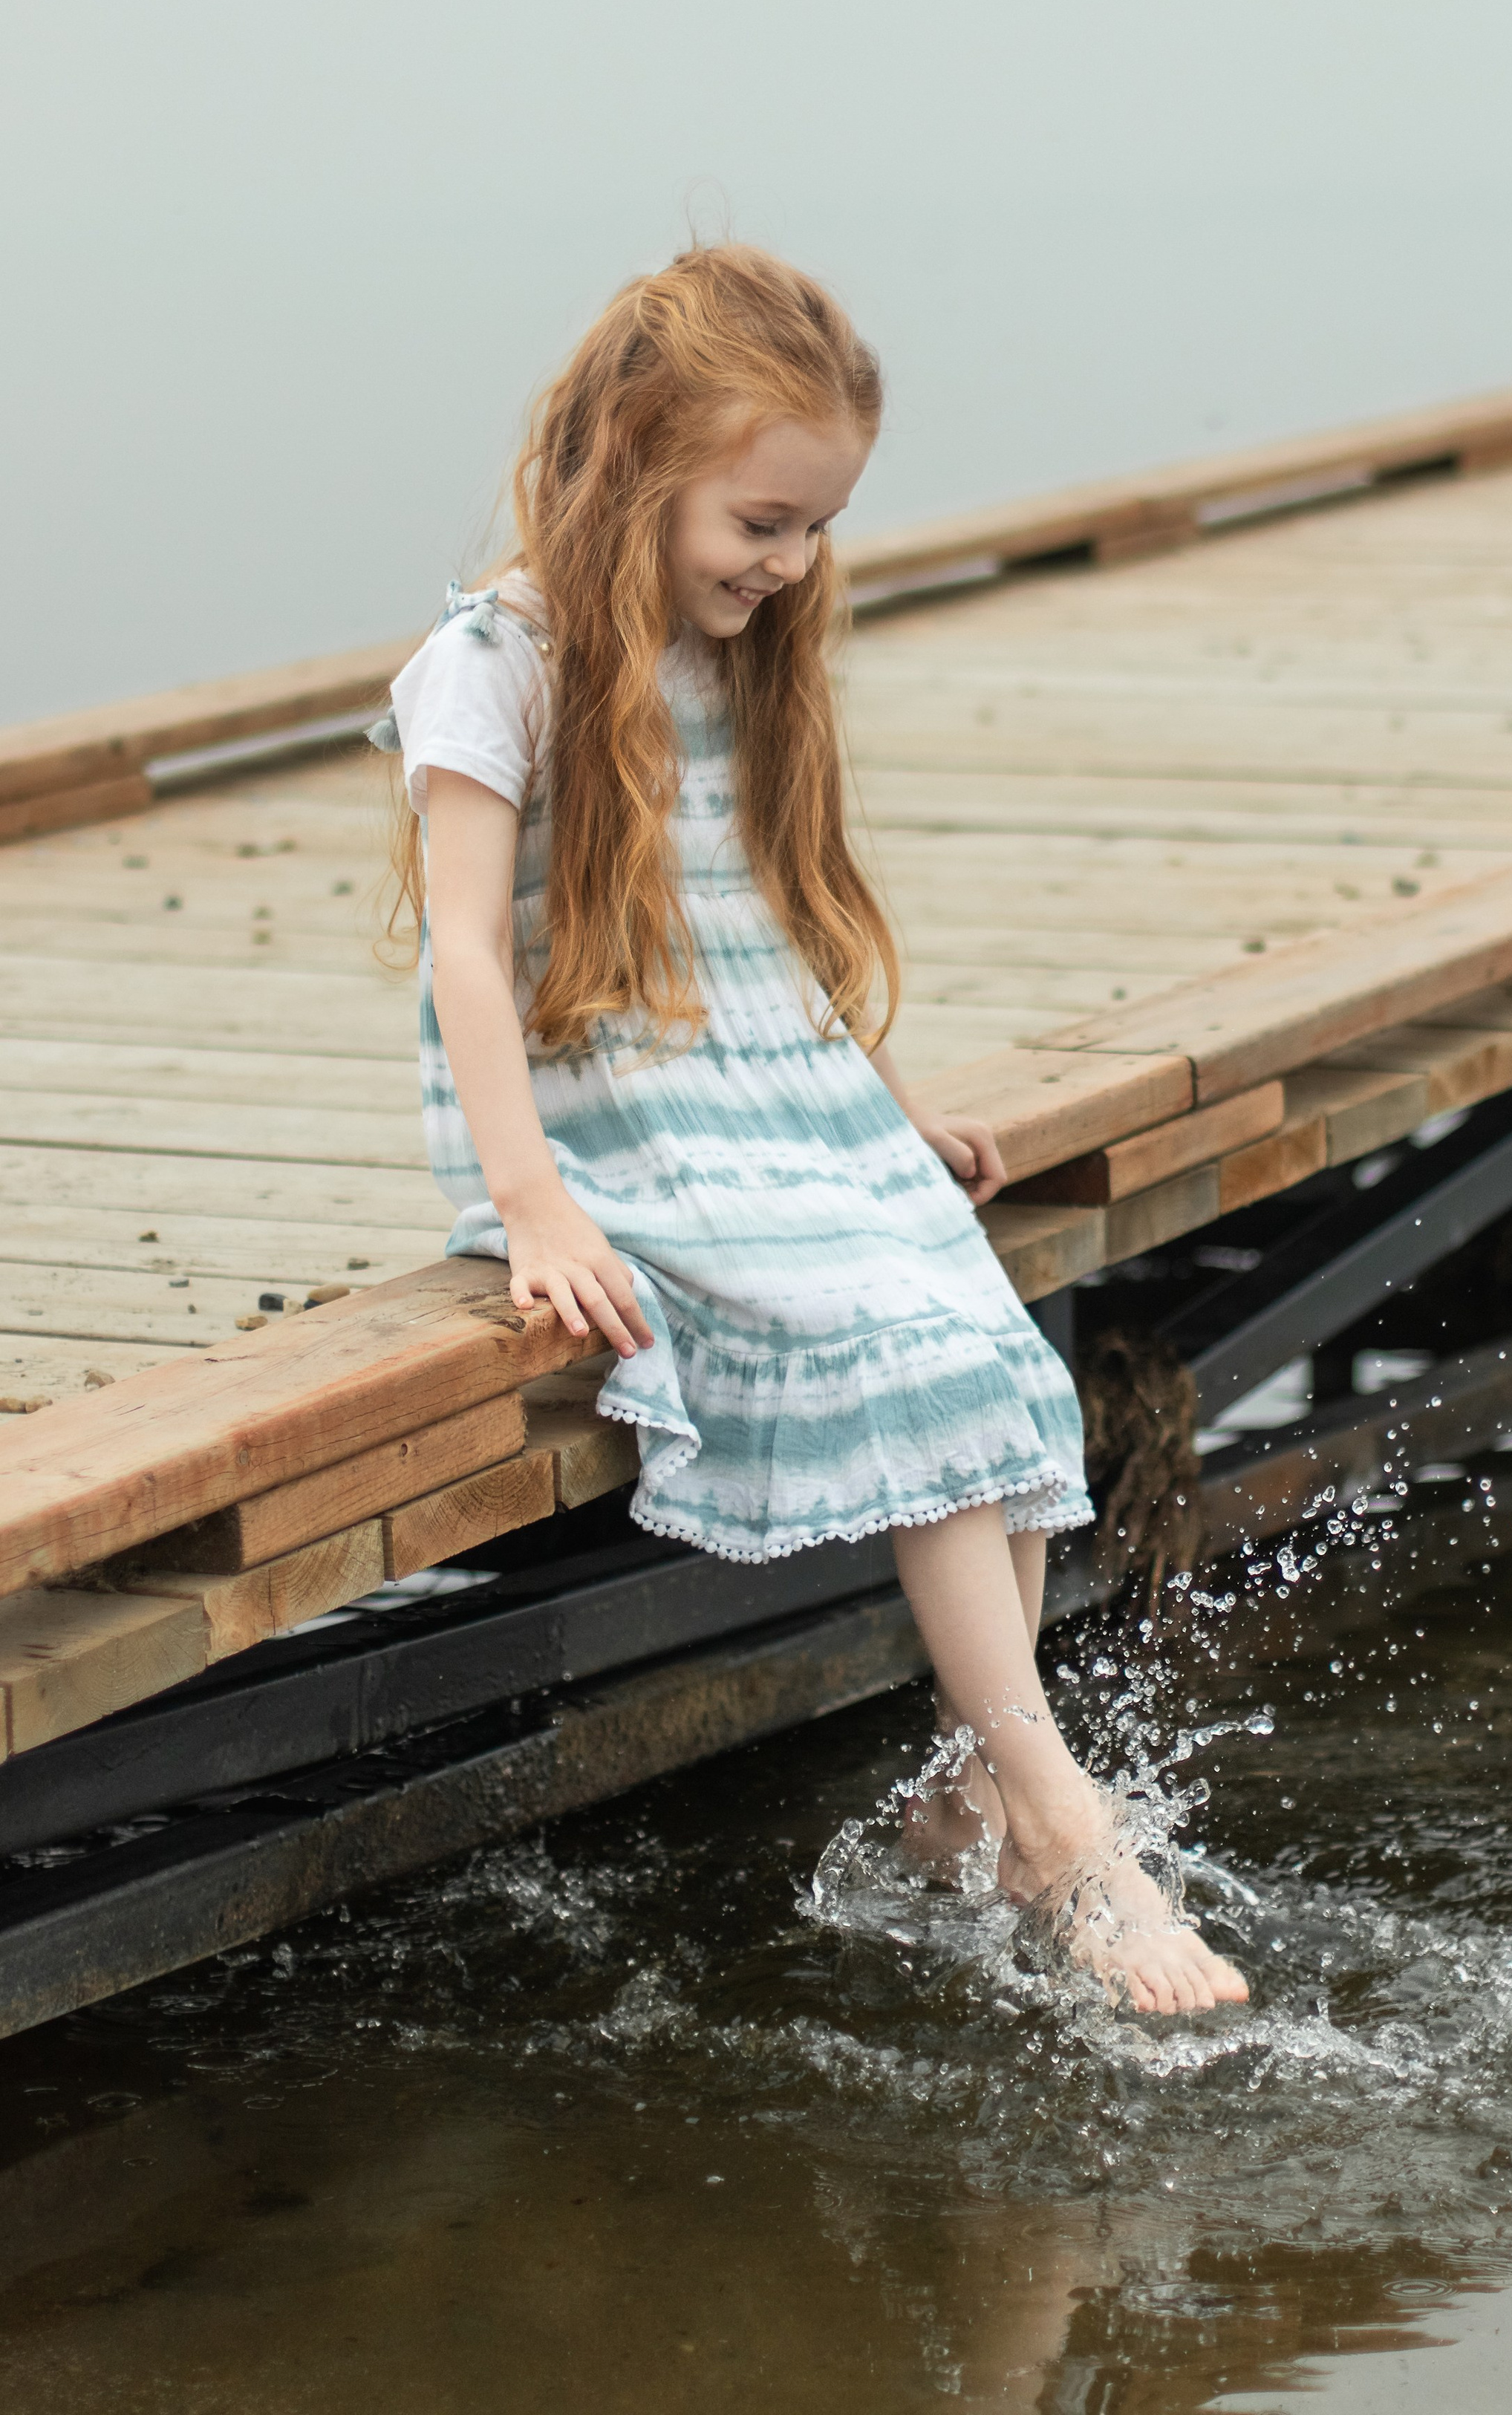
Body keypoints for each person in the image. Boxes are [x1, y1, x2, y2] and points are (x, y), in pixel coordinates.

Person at [382, 243, 1245, 2017]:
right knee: (904, 1352)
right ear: (634, 459)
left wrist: (882, 1098)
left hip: (763, 1073)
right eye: (758, 522)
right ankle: (1066, 1829)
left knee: (993, 1358)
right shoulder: (493, 666)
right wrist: (531, 1207)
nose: (784, 568)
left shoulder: (740, 650)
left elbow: (753, 910)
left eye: (811, 533)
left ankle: (975, 1791)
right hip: (597, 1112)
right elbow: (465, 949)